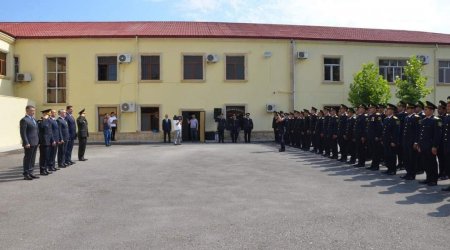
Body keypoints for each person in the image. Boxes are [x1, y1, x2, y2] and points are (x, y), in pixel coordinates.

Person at [415, 101, 442, 186]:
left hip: (430, 146)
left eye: (426, 109)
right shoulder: (424, 120)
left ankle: (433, 180)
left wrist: (435, 146)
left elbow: (437, 135)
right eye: (425, 109)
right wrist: (419, 144)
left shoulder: (436, 120)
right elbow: (421, 134)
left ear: (431, 110)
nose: (424, 111)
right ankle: (428, 178)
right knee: (425, 163)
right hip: (423, 146)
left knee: (432, 163)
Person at [400, 103, 420, 180]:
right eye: (407, 108)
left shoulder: (416, 118)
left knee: (412, 159)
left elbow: (417, 131)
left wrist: (416, 142)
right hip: (406, 142)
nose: (407, 110)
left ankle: (412, 174)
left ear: (412, 109)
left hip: (412, 142)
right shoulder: (406, 118)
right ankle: (408, 172)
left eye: (408, 109)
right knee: (406, 158)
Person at [20, 105, 40, 180]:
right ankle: (26, 174)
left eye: (34, 110)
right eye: (31, 110)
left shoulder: (33, 119)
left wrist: (38, 140)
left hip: (35, 142)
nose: (33, 112)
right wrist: (26, 142)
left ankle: (31, 172)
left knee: (33, 158)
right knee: (28, 158)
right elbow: (23, 133)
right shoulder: (24, 120)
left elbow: (36, 131)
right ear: (27, 111)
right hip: (29, 143)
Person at [381, 104, 400, 175]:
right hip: (386, 140)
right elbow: (384, 131)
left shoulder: (395, 119)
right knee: (387, 155)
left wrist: (394, 141)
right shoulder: (386, 119)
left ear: (392, 111)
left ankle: (393, 170)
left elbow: (396, 132)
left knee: (392, 155)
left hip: (391, 141)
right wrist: (382, 139)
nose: (387, 111)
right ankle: (389, 168)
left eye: (388, 110)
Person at [38, 109, 54, 176]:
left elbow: (50, 132)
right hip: (43, 141)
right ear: (45, 114)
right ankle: (42, 170)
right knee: (43, 156)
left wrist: (52, 140)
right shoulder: (41, 121)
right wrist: (44, 119)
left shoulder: (49, 121)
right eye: (49, 113)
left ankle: (45, 169)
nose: (50, 114)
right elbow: (42, 127)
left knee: (47, 156)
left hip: (49, 141)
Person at [441, 97, 450, 191]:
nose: (448, 107)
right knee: (448, 166)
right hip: (447, 146)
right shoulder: (447, 117)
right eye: (447, 106)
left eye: (449, 106)